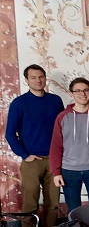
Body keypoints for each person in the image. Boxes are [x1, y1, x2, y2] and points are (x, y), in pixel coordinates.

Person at [6, 65, 63, 227]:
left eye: (41, 76)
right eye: (33, 77)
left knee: (52, 204)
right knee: (30, 204)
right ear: (26, 80)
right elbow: (10, 134)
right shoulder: (19, 103)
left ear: (45, 78)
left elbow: (61, 129)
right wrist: (25, 155)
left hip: (54, 160)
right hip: (31, 161)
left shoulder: (55, 100)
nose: (38, 80)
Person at [49, 77, 89, 212]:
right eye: (78, 91)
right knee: (73, 210)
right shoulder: (62, 117)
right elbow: (56, 146)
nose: (82, 94)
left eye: (85, 90)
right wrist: (56, 172)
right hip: (69, 171)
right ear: (71, 94)